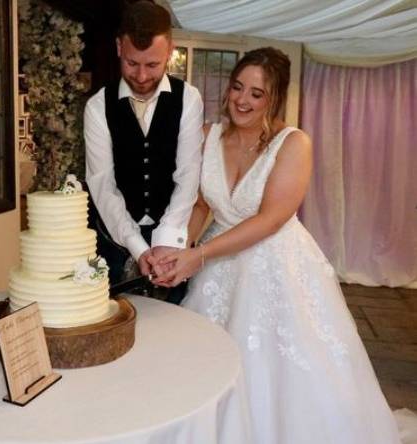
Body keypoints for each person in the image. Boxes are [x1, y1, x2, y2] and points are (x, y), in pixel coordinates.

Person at [153, 47, 401, 443]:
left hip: (275, 265)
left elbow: (270, 219)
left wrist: (197, 256)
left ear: (274, 98)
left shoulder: (293, 144)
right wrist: (180, 249)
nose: (242, 100)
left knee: (275, 367)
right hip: (217, 262)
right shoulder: (208, 136)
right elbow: (201, 203)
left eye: (256, 93)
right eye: (238, 87)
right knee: (209, 362)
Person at [84, 0, 204, 303]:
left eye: (152, 65)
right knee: (112, 322)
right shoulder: (98, 106)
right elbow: (103, 185)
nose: (141, 76)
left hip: (172, 235)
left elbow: (188, 174)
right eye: (132, 63)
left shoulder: (189, 99)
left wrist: (165, 242)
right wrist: (138, 248)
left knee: (170, 325)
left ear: (169, 51)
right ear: (118, 48)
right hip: (113, 238)